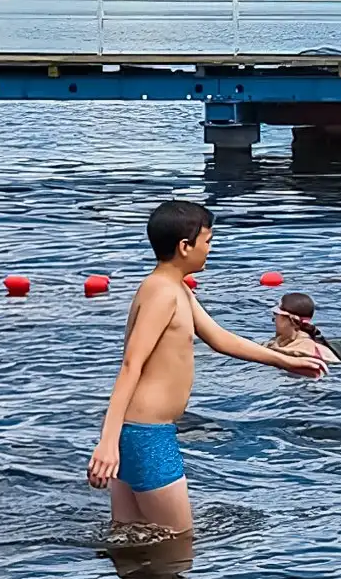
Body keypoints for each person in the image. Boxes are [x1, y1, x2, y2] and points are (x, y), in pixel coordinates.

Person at [87, 200, 327, 536]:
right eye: (208, 241)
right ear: (185, 247)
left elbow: (219, 338)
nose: (210, 249)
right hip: (147, 435)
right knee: (179, 544)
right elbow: (131, 364)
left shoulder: (174, 288)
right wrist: (108, 442)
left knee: (131, 537)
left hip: (137, 433)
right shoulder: (163, 294)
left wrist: (286, 360)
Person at [266, 292, 341, 364]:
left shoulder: (299, 350)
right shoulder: (318, 345)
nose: (274, 320)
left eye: (275, 314)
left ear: (292, 320)